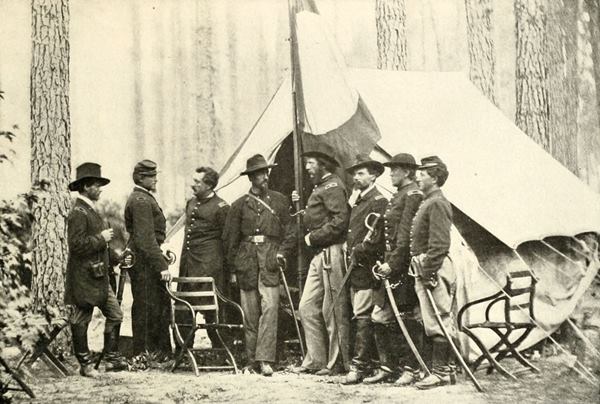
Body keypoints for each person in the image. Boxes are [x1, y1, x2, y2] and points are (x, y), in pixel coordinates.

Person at [223, 154, 295, 376]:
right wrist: (233, 269)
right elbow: (230, 240)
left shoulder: (280, 201)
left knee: (270, 309)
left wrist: (281, 252)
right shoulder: (238, 206)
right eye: (259, 174)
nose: (264, 177)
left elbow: (291, 231)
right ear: (251, 178)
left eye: (265, 172)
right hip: (246, 263)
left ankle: (265, 360)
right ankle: (251, 360)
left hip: (270, 260)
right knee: (250, 313)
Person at [365, 153, 426, 385]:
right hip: (390, 262)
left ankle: (412, 368)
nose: (390, 174)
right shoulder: (399, 195)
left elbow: (406, 237)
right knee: (380, 317)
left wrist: (393, 264)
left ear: (407, 172)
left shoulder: (412, 195)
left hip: (402, 267)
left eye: (395, 170)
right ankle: (388, 366)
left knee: (407, 318)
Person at [293, 143, 351, 376]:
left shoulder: (333, 186)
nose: (307, 167)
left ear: (323, 165)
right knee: (306, 307)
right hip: (320, 254)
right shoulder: (321, 187)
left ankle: (337, 362)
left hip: (331, 252)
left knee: (333, 309)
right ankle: (316, 360)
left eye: (311, 163)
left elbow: (340, 221)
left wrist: (312, 237)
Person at [65, 162, 128, 376]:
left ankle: (110, 359)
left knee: (115, 314)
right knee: (81, 319)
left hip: (99, 277)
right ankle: (85, 364)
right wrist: (101, 238)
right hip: (83, 278)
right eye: (96, 185)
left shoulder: (91, 210)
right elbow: (76, 246)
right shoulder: (78, 213)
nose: (100, 189)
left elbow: (101, 248)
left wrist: (117, 258)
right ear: (85, 187)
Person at [410, 156, 456, 390]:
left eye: (423, 173)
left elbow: (439, 244)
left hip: (433, 267)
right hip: (427, 266)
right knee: (432, 318)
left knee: (438, 318)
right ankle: (444, 370)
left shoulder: (437, 203)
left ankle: (440, 373)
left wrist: (428, 273)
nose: (417, 177)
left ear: (435, 178)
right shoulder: (429, 201)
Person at [342, 155, 388, 385]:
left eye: (360, 173)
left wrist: (360, 249)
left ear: (374, 176)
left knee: (363, 315)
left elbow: (377, 238)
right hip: (356, 267)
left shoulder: (378, 201)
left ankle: (359, 366)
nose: (355, 177)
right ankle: (366, 363)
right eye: (354, 173)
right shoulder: (358, 200)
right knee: (360, 315)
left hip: (367, 268)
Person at [176, 166, 230, 349]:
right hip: (189, 266)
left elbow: (227, 240)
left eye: (197, 182)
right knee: (184, 309)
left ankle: (221, 351)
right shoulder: (191, 203)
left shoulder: (221, 207)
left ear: (209, 185)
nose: (193, 185)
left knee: (213, 311)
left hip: (210, 268)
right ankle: (184, 351)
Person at [124, 159, 172, 358]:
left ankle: (153, 352)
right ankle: (144, 353)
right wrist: (161, 265)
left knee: (155, 305)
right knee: (147, 306)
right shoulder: (141, 201)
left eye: (155, 175)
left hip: (147, 259)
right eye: (151, 176)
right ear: (141, 178)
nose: (155, 180)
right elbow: (145, 239)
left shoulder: (143, 198)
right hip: (145, 262)